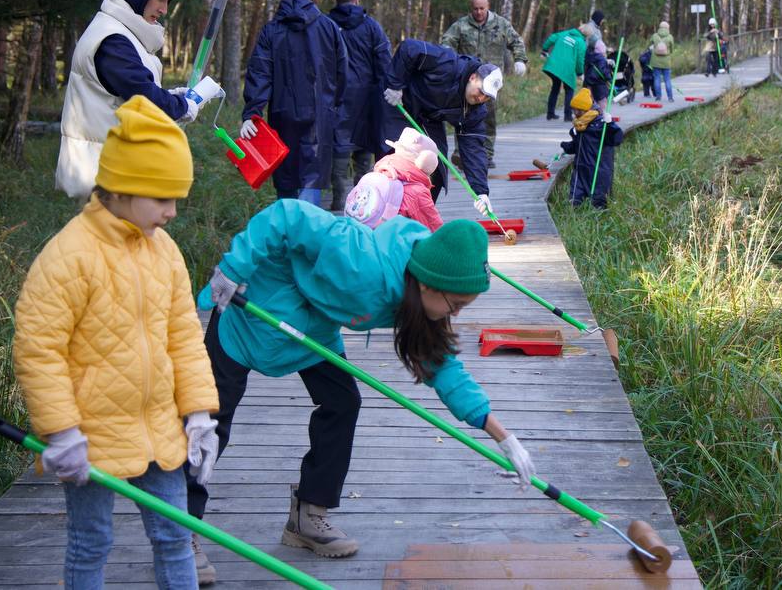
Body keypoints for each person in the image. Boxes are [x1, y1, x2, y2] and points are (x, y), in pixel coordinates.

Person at [186, 203, 538, 567]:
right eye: (457, 304)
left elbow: (445, 369)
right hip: (253, 310)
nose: (457, 313)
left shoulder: (420, 299)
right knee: (209, 419)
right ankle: (182, 527)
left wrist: (503, 437)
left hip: (313, 327)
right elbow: (286, 216)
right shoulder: (360, 260)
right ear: (429, 284)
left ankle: (307, 516)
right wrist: (233, 268)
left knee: (342, 403)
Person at [15, 96, 220, 589]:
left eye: (177, 199)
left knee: (176, 537)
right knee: (91, 543)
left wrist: (198, 414)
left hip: (159, 429)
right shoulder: (69, 256)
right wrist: (61, 432)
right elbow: (38, 349)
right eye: (162, 198)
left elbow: (184, 336)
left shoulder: (165, 251)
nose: (172, 213)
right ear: (124, 188)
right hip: (91, 435)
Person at [56, 0, 223, 200]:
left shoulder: (121, 34)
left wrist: (171, 96)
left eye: (168, 1)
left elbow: (123, 94)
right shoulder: (112, 40)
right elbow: (143, 97)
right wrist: (181, 105)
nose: (164, 9)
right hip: (106, 177)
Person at [242, 0, 348, 204]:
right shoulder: (329, 28)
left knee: (286, 178)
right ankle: (308, 234)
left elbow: (260, 72)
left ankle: (289, 231)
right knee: (312, 176)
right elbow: (343, 71)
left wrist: (252, 112)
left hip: (282, 114)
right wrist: (334, 103)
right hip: (320, 114)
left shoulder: (271, 30)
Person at [381, 40, 501, 216]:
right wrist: (395, 84)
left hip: (429, 118)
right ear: (473, 77)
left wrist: (481, 192)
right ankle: (385, 215)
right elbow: (409, 48)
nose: (482, 98)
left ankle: (420, 219)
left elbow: (474, 149)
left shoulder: (474, 110)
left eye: (487, 97)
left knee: (436, 168)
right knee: (395, 159)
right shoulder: (447, 63)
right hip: (399, 103)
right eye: (481, 91)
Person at [440, 0, 528, 167]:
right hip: (468, 80)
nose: (479, 12)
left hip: (491, 80)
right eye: (475, 9)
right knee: (463, 115)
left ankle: (486, 155)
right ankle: (461, 153)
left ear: (488, 7)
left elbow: (516, 41)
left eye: (482, 8)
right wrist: (446, 61)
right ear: (470, 8)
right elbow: (446, 42)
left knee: (488, 116)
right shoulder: (461, 26)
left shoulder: (501, 24)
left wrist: (520, 60)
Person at [328, 0, 392, 210]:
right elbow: (384, 61)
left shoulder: (327, 25)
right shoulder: (371, 26)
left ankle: (337, 203)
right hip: (367, 100)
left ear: (337, 1)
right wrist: (388, 91)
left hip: (337, 99)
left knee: (339, 149)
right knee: (364, 153)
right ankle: (362, 206)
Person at [357, 127, 444, 231]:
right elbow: (434, 228)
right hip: (394, 243)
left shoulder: (380, 172)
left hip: (366, 235)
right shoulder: (416, 192)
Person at [560, 88, 624, 209]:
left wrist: (611, 124)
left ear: (585, 109)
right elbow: (578, 145)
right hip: (580, 168)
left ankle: (599, 219)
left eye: (577, 110)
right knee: (574, 201)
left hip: (598, 169)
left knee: (599, 202)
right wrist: (564, 147)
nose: (574, 112)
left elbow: (617, 139)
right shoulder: (580, 125)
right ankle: (575, 217)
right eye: (573, 109)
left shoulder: (601, 124)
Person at [540, 20, 595, 122]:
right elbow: (580, 60)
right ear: (587, 35)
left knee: (555, 88)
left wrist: (545, 50)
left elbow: (552, 38)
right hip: (567, 69)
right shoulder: (581, 43)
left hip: (553, 65)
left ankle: (550, 114)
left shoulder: (565, 33)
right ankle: (568, 116)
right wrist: (580, 73)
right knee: (569, 89)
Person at [647, 21, 675, 101]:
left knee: (657, 79)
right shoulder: (670, 37)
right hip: (666, 62)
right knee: (667, 79)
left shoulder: (655, 36)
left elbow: (650, 44)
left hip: (655, 61)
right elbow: (672, 49)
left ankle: (658, 97)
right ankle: (670, 98)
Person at [583, 32, 612, 103]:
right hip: (599, 83)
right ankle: (602, 113)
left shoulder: (588, 55)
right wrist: (609, 78)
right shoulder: (601, 58)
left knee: (590, 99)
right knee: (602, 100)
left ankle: (592, 112)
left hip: (589, 81)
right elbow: (603, 70)